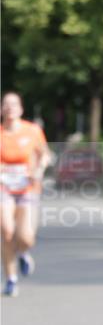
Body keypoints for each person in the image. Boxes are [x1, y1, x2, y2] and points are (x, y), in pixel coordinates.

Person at [0, 91, 51, 297]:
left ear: (21, 109)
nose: (10, 108)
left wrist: (39, 170)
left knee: (26, 238)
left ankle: (23, 252)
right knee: (6, 231)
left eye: (14, 104)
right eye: (6, 104)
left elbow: (45, 154)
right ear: (2, 109)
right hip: (4, 187)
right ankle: (11, 279)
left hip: (28, 188)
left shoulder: (32, 131)